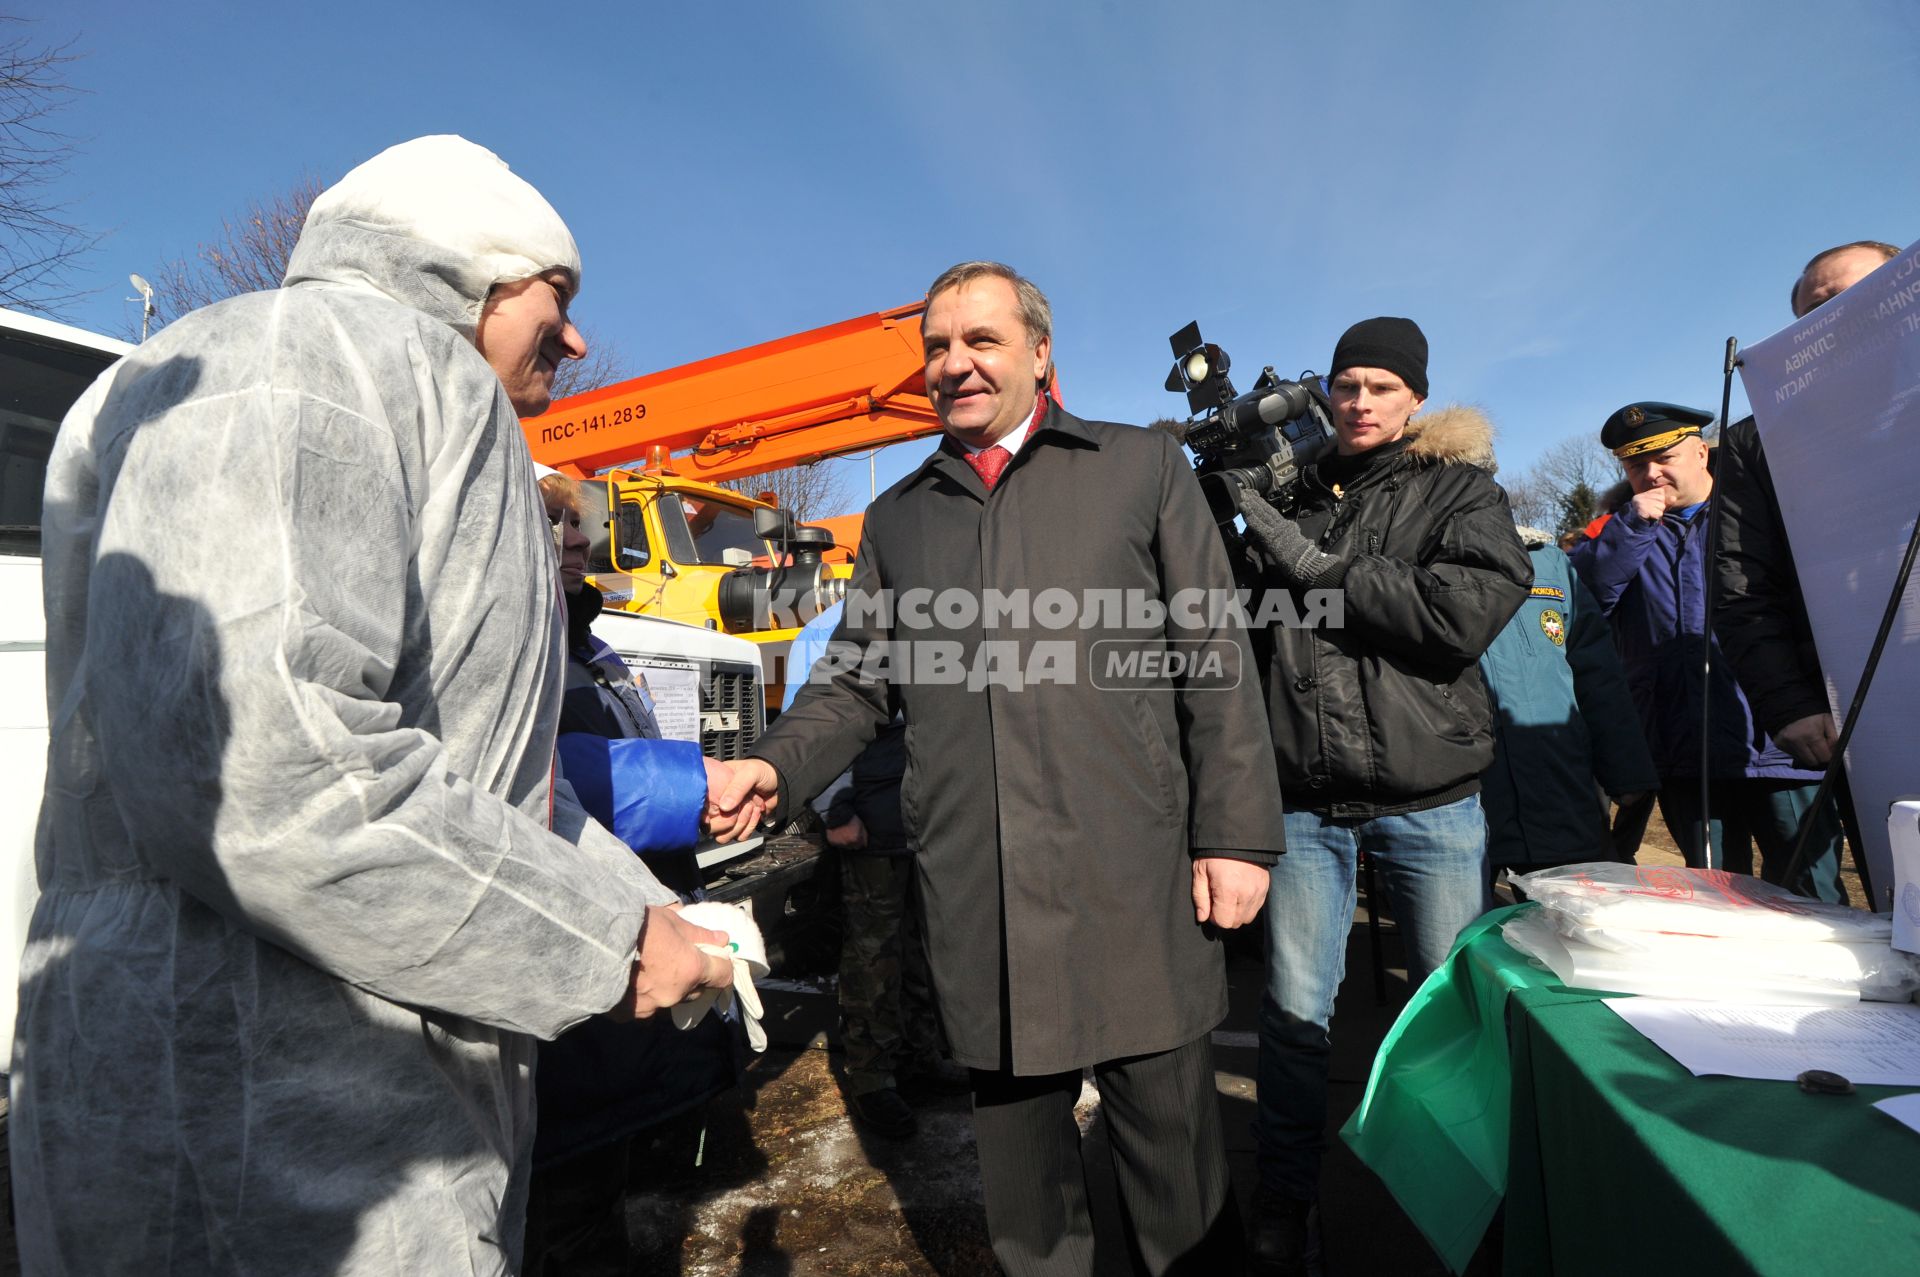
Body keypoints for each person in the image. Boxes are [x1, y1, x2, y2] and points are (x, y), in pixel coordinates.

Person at [12, 135, 740, 1275]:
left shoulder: (415, 392)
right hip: (263, 1121)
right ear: (474, 274)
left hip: (374, 1103)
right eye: (560, 293)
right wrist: (601, 942)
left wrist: (643, 912)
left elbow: (484, 785)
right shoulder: (293, 360)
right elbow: (273, 770)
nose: (580, 336)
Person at [716, 260, 1285, 1276]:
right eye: (937, 345)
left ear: (1039, 351)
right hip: (984, 892)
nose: (955, 363)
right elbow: (854, 682)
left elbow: (1216, 658)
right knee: (1029, 1213)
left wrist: (1234, 834)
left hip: (1134, 876)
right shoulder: (901, 517)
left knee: (1180, 1189)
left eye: (981, 339)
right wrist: (775, 767)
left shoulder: (1139, 469)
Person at [1236, 319, 1531, 1273]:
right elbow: (1247, 635)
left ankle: (1478, 1203)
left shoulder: (1460, 490)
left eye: (1379, 386)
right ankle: (1285, 1198)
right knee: (1291, 1019)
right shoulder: (1291, 499)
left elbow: (1460, 615)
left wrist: (1324, 570)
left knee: (1452, 1013)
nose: (1358, 401)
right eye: (1344, 383)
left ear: (1414, 400)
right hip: (1304, 802)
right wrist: (1226, 534)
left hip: (1431, 798)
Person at [525, 472, 744, 1275]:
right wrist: (694, 785)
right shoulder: (518, 639)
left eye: (578, 521)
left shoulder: (590, 640)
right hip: (563, 983)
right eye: (554, 522)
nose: (580, 536)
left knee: (594, 1198)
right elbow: (543, 779)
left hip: (615, 963)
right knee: (565, 1216)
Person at [1569, 403, 1846, 902]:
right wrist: (1630, 529)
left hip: (1777, 743)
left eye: (1665, 457)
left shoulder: (1762, 514)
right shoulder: (1621, 531)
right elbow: (1585, 603)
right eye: (1635, 465)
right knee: (1716, 901)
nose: (1651, 474)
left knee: (1813, 894)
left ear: (1701, 451)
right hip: (1683, 749)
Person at [1714, 240, 1900, 867]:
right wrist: (1788, 704)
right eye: (1814, 314)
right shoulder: (1758, 442)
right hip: (1866, 716)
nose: (1834, 320)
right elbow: (1741, 585)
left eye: (1852, 298)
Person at [784, 601, 964, 1141]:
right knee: (872, 956)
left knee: (925, 948)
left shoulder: (936, 616)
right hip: (872, 828)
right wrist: (837, 810)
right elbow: (813, 724)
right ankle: (872, 1079)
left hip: (929, 826)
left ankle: (920, 1055)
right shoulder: (830, 630)